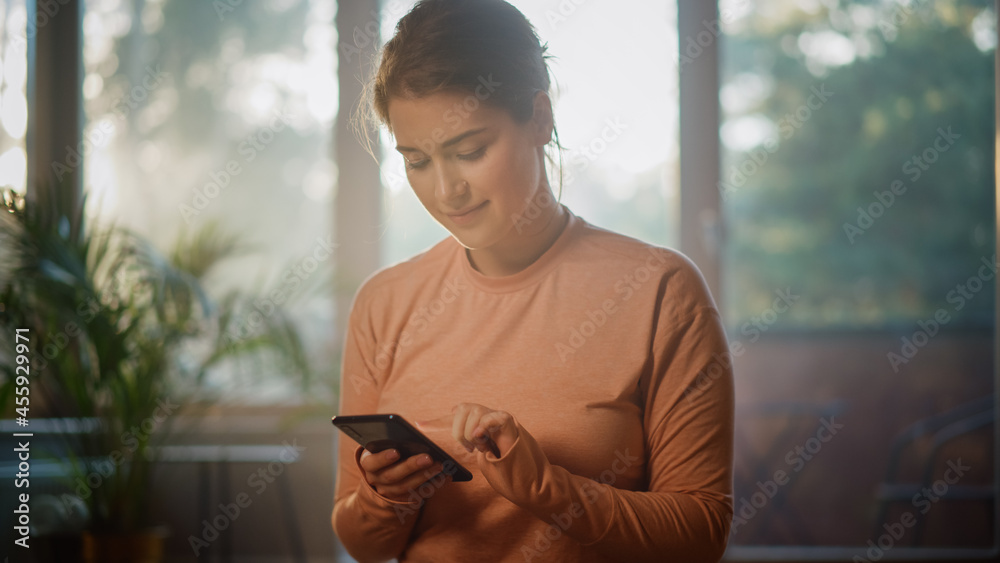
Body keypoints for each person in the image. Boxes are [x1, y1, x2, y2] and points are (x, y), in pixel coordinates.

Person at [331, 1, 734, 561]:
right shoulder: (384, 304)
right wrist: (385, 497)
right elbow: (360, 542)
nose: (446, 190)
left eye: (469, 151)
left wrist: (548, 489)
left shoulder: (660, 291)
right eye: (417, 160)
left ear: (541, 118)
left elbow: (700, 533)